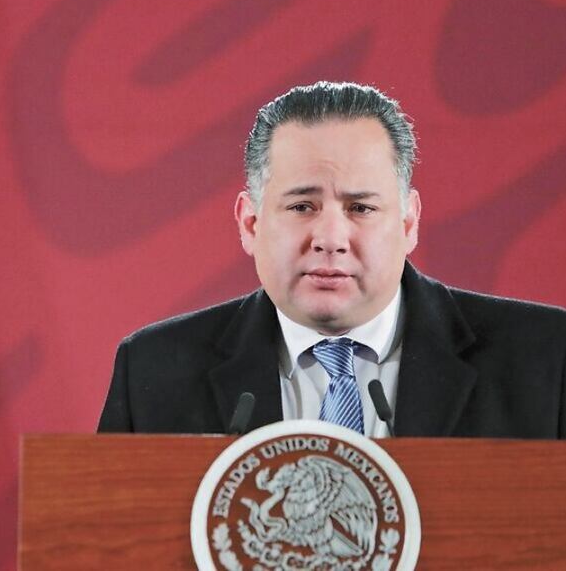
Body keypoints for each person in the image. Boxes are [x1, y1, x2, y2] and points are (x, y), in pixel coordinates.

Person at [98, 81, 566, 439]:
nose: (330, 238)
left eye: (360, 208)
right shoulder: (154, 372)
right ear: (251, 223)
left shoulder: (546, 359)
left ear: (407, 223)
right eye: (302, 207)